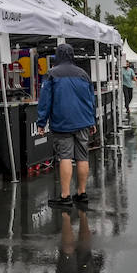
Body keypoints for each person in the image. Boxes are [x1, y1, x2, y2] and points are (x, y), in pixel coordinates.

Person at [36, 43, 96, 208]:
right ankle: (82, 193)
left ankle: (65, 196)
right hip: (83, 121)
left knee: (65, 157)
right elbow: (91, 99)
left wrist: (41, 122)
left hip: (62, 123)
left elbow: (45, 101)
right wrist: (93, 120)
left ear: (57, 55)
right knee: (83, 157)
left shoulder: (52, 74)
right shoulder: (83, 74)